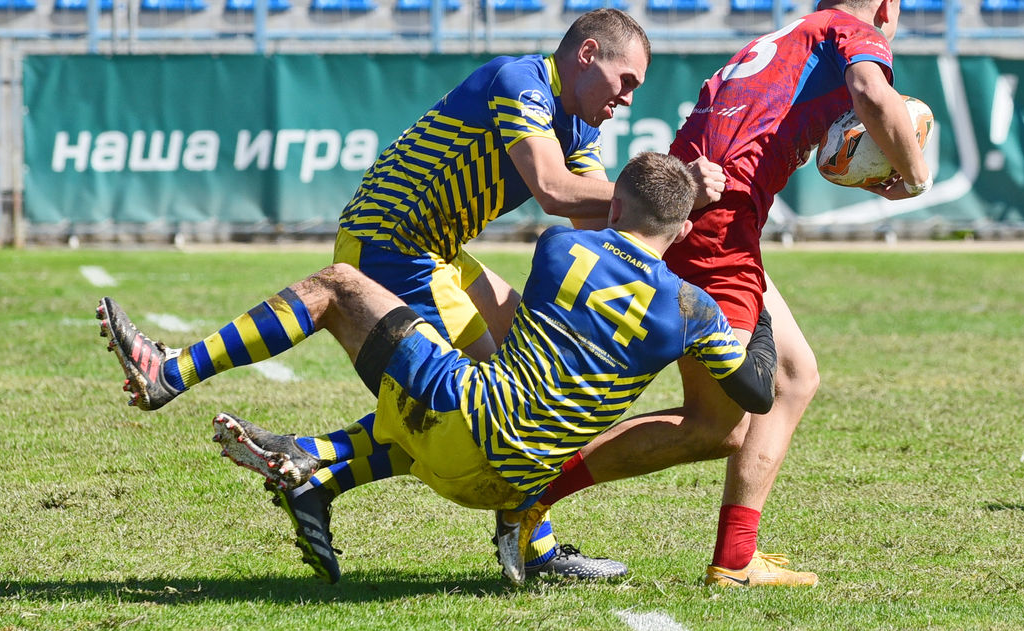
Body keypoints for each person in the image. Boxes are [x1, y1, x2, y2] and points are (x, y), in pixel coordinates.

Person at [105, 8, 725, 581]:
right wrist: (674, 192)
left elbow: (612, 223)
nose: (627, 97)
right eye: (625, 79)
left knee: (524, 375)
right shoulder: (523, 82)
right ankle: (185, 380)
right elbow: (557, 193)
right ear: (587, 53)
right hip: (394, 244)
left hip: (439, 253)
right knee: (495, 403)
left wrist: (673, 210)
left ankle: (321, 478)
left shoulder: (577, 128)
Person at [99, 153, 775, 584]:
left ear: (616, 207)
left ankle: (172, 373)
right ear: (681, 234)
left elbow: (562, 231)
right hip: (510, 490)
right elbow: (756, 392)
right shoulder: (695, 310)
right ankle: (316, 468)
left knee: (339, 285)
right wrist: (759, 303)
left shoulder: (560, 247)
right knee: (474, 399)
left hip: (462, 429)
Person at [560, 0, 934, 587]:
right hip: (715, 229)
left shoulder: (784, 42)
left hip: (702, 215)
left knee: (794, 375)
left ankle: (736, 559)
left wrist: (872, 171)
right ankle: (531, 494)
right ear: (887, 7)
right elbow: (875, 94)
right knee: (715, 428)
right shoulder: (857, 34)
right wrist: (917, 176)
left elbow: (821, 150)